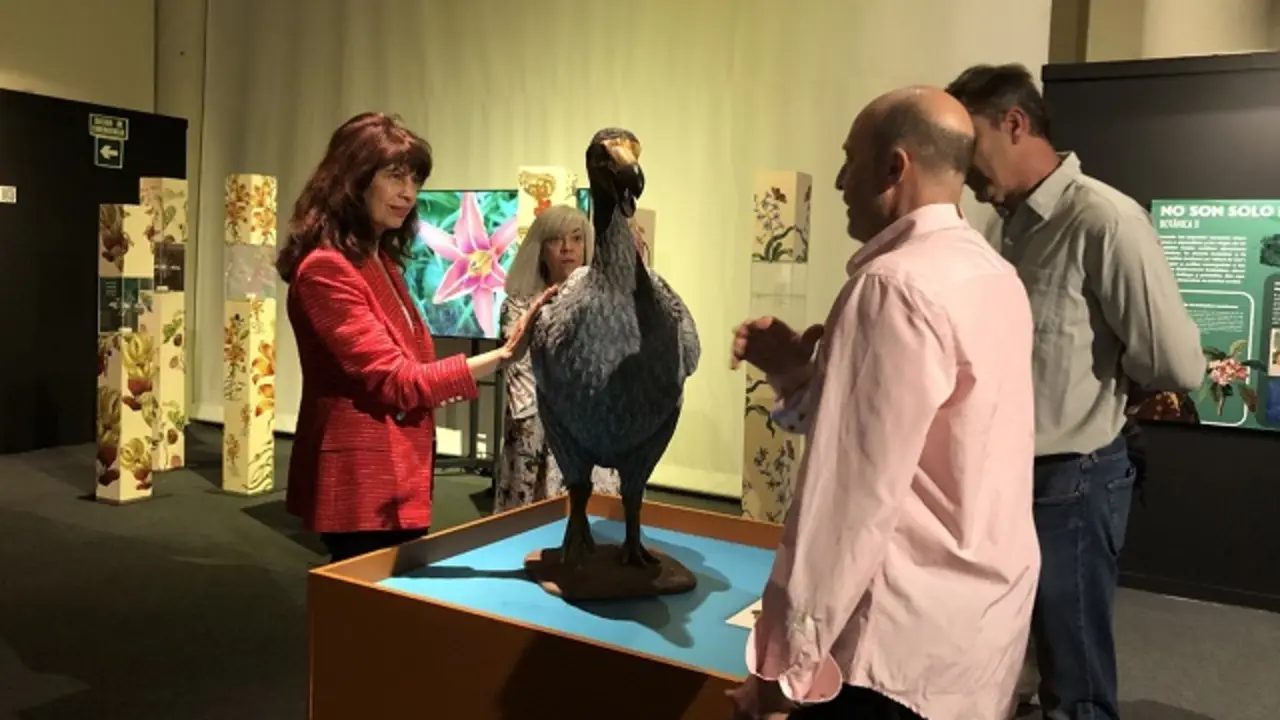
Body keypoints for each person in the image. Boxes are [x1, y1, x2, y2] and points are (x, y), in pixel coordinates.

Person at [726, 86, 1040, 720]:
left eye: (850, 160)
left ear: (895, 167)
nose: (840, 181)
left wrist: (783, 671)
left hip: (896, 646)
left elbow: (846, 503)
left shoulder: (892, 286)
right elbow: (930, 445)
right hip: (979, 623)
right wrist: (795, 373)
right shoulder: (994, 274)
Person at [945, 64, 1205, 720]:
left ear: (1014, 124)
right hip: (1009, 478)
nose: (960, 166)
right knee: (1014, 663)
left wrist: (1115, 381)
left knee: (1075, 677)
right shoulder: (1007, 228)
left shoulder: (1105, 220)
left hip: (1073, 481)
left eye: (968, 142)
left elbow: (1176, 362)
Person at [276, 112, 556, 563]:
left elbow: (415, 364)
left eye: (416, 180)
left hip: (395, 473)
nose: (409, 193)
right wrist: (503, 355)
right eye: (394, 176)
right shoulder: (327, 270)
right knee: (366, 599)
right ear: (353, 179)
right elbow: (397, 380)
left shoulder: (380, 262)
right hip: (361, 481)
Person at [495, 205, 620, 512]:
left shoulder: (607, 302)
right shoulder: (519, 305)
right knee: (530, 519)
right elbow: (521, 371)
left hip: (593, 427)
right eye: (555, 240)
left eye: (576, 239)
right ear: (540, 250)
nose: (567, 248)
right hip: (537, 427)